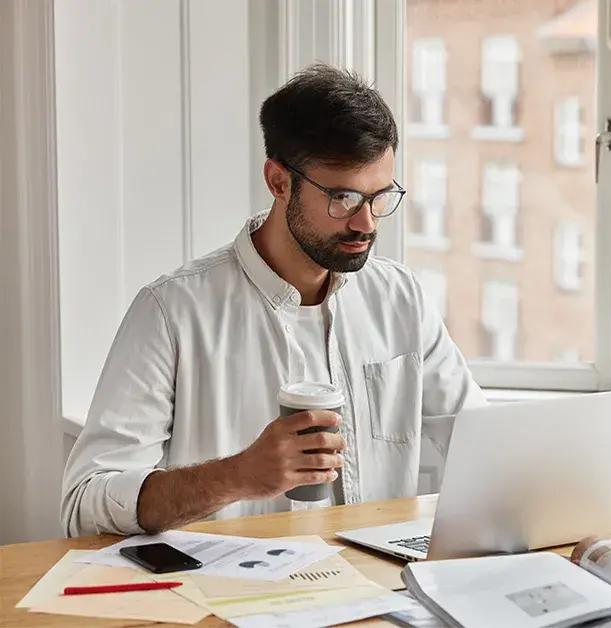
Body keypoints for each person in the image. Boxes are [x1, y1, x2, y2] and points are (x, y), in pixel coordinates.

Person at [60, 64, 487, 538]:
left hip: (379, 595)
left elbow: (485, 446)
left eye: (380, 196)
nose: (366, 223)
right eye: (342, 198)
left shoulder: (401, 300)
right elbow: (85, 505)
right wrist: (238, 475)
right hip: (226, 601)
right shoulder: (171, 313)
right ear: (279, 182)